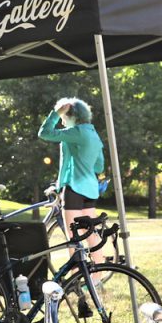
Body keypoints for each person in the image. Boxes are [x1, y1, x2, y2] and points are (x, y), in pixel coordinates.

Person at [38, 97, 106, 262]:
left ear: (70, 115)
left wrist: (55, 113)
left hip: (74, 188)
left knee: (73, 236)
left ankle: (76, 276)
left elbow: (44, 133)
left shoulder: (76, 132)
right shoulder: (93, 133)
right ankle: (97, 277)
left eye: (63, 117)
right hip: (90, 190)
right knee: (90, 233)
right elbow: (99, 166)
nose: (62, 121)